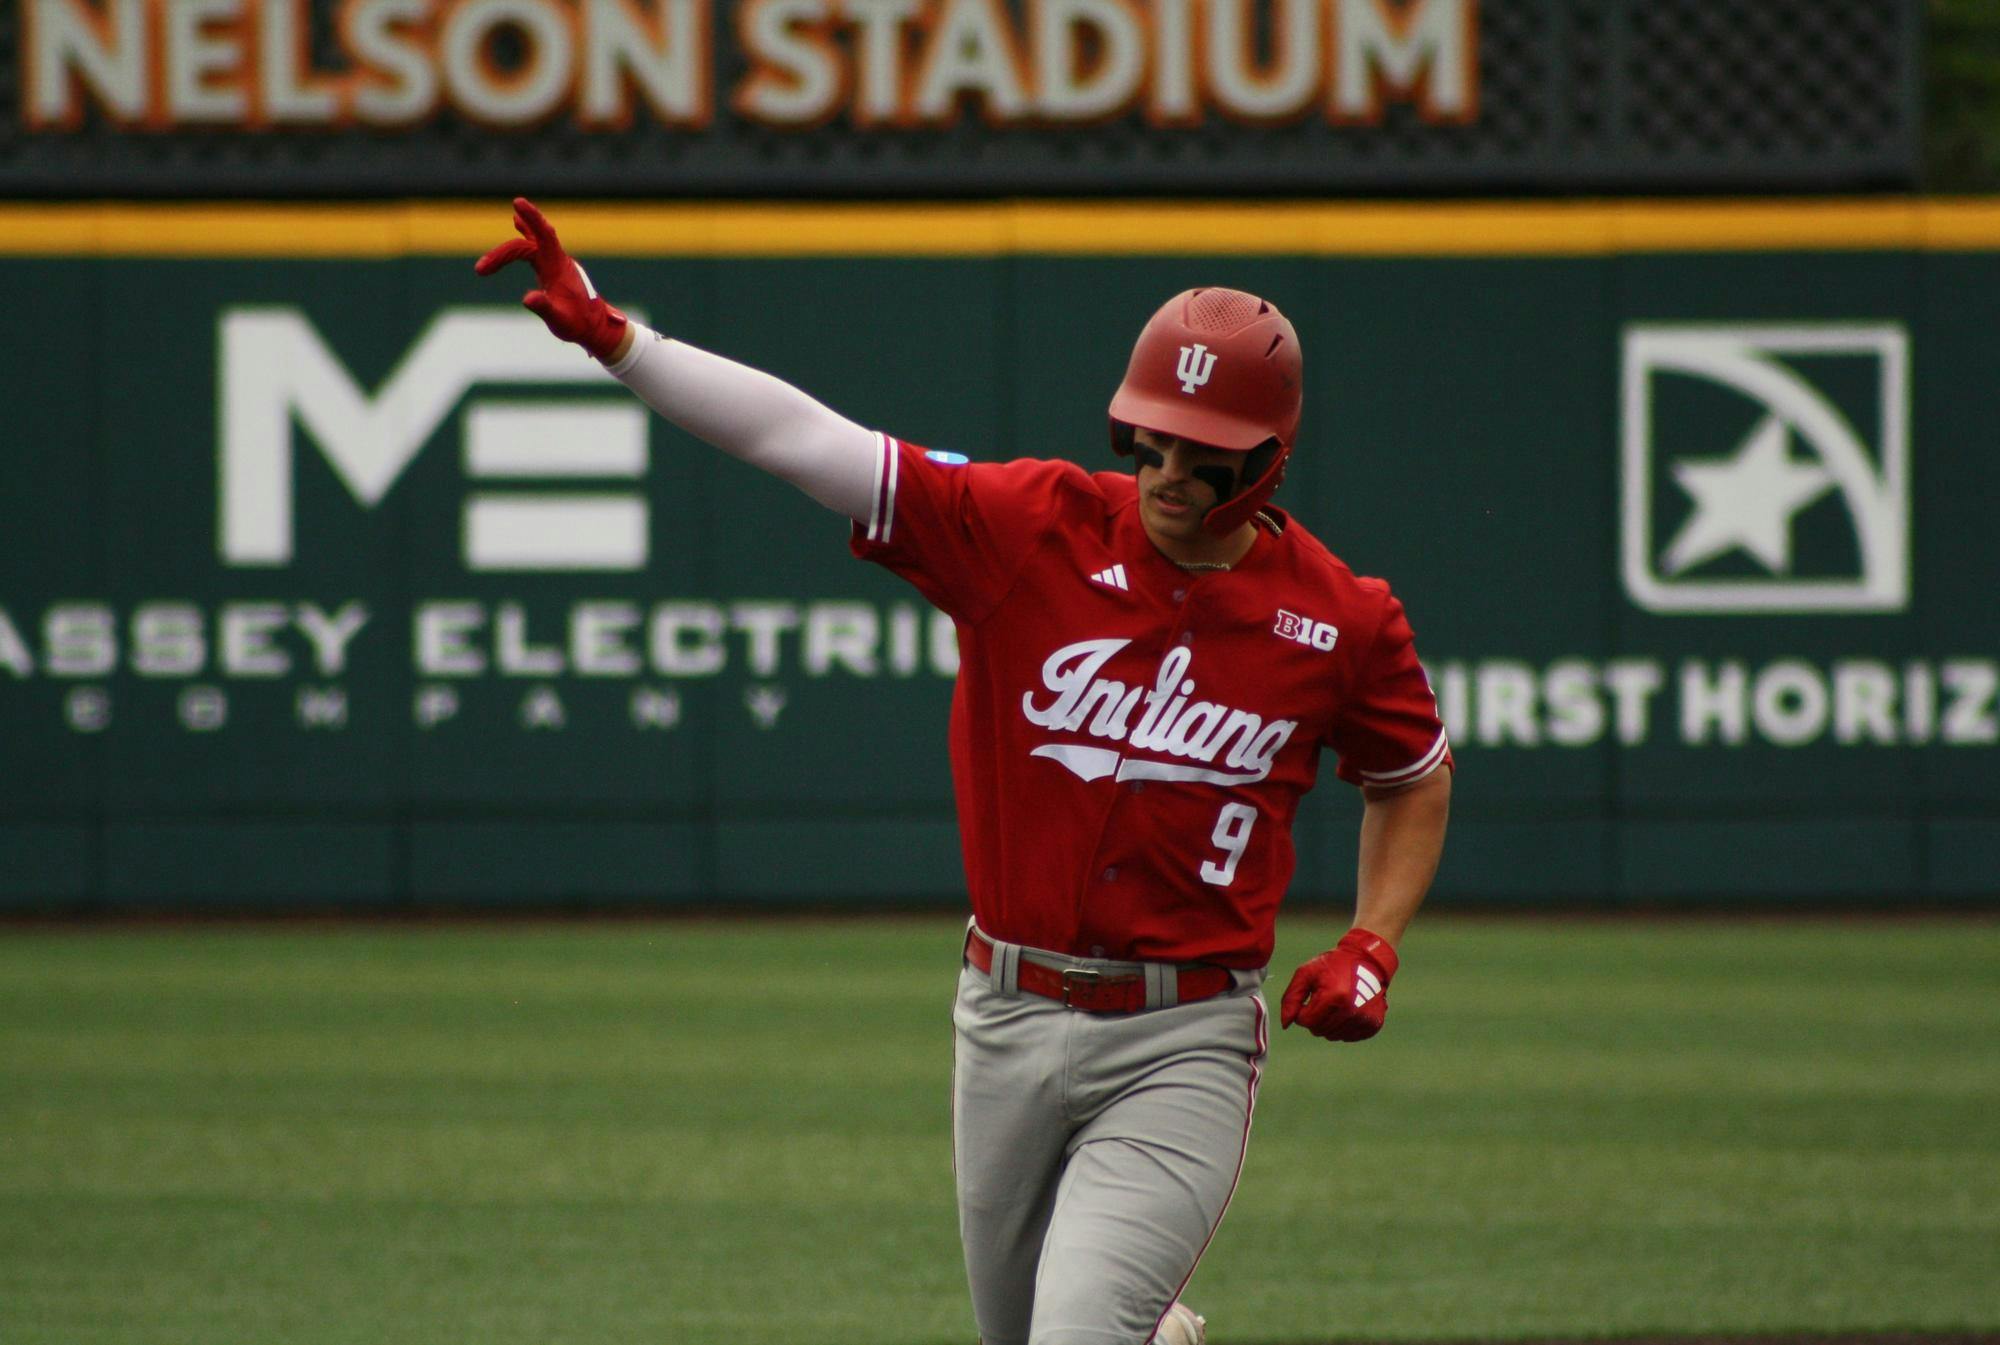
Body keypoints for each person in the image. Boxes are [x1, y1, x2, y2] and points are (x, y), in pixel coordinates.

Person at [478, 198, 1452, 1345]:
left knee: (1074, 1337)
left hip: (1181, 1033)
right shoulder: (1028, 525)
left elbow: (1410, 775)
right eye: (1152, 435)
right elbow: (807, 441)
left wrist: (1371, 940)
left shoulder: (1340, 618)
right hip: (1003, 1013)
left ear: (1267, 459)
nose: (1169, 467)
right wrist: (619, 340)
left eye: (1206, 450)